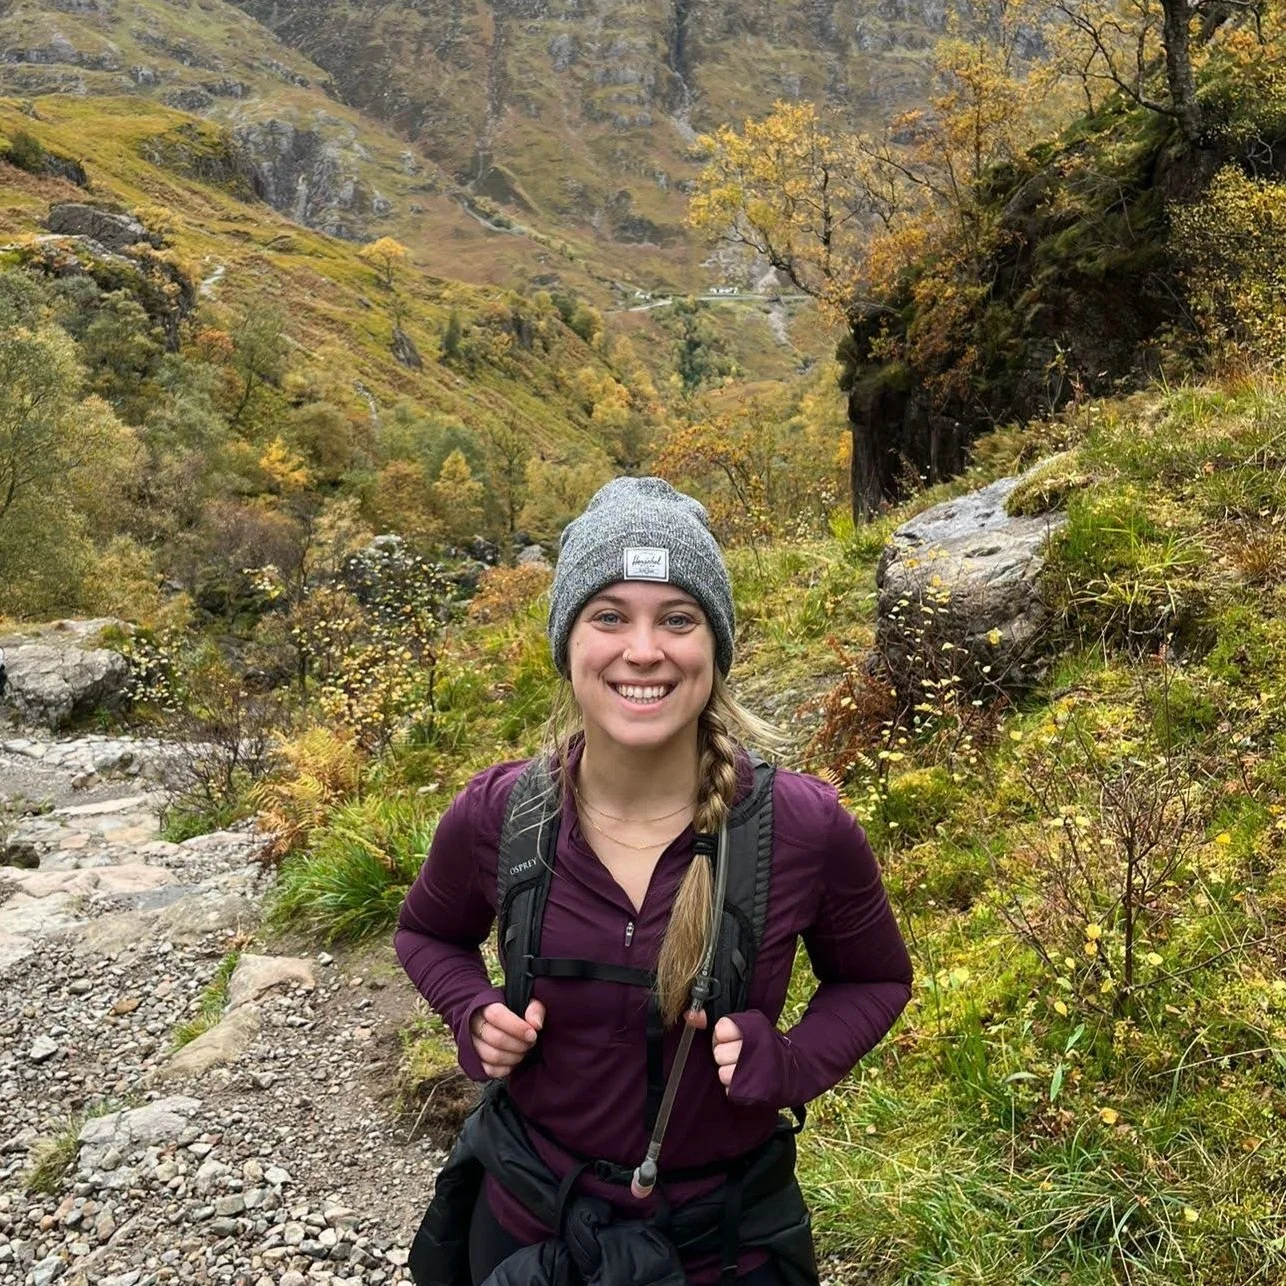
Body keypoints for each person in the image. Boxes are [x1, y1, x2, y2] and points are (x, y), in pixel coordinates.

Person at [395, 477, 912, 1286]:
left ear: (716, 647)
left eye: (677, 618)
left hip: (726, 1245)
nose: (644, 651)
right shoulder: (500, 814)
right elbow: (427, 934)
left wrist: (794, 1061)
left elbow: (876, 979)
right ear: (568, 643)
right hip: (532, 1230)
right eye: (609, 617)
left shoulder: (804, 827)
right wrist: (473, 1012)